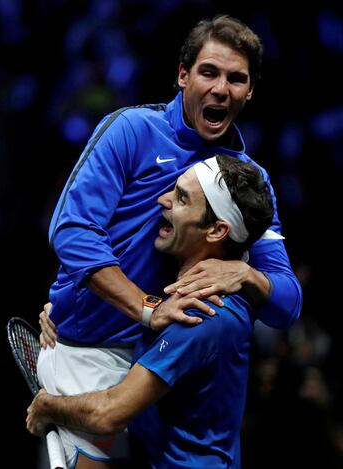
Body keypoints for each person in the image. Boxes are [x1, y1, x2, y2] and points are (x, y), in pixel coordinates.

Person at [37, 13, 302, 467]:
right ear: (182, 76)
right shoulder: (131, 130)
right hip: (95, 352)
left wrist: (245, 272)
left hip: (163, 368)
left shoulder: (247, 180)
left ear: (250, 91)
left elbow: (286, 303)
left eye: (236, 78)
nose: (221, 87)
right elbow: (71, 231)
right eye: (209, 72)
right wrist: (144, 305)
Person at [27, 154, 275, 468]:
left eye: (182, 199)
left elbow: (108, 414)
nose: (163, 199)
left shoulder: (200, 316)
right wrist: (62, 310)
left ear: (215, 230)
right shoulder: (183, 295)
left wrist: (47, 406)